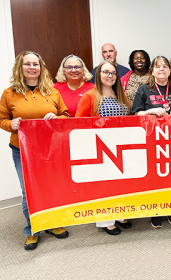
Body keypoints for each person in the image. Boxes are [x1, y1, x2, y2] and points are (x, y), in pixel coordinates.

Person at [0, 51, 70, 250]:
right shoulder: (8, 93)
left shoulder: (52, 91)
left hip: (50, 150)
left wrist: (57, 119)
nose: (32, 67)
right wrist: (10, 124)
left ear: (41, 68)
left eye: (36, 64)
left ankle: (52, 224)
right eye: (27, 64)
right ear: (19, 68)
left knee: (51, 188)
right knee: (28, 191)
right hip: (22, 151)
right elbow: (2, 119)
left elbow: (65, 115)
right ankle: (32, 229)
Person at [131, 55, 171, 228]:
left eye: (165, 66)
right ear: (152, 70)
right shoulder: (144, 89)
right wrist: (150, 111)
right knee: (154, 177)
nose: (162, 69)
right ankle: (155, 211)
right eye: (158, 66)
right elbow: (135, 114)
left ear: (170, 70)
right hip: (151, 140)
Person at [75, 60, 132, 235]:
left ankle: (120, 213)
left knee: (121, 184)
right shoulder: (89, 96)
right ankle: (106, 220)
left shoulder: (120, 95)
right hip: (100, 147)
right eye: (106, 72)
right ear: (98, 75)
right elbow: (78, 123)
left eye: (113, 73)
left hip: (120, 146)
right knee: (104, 186)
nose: (110, 75)